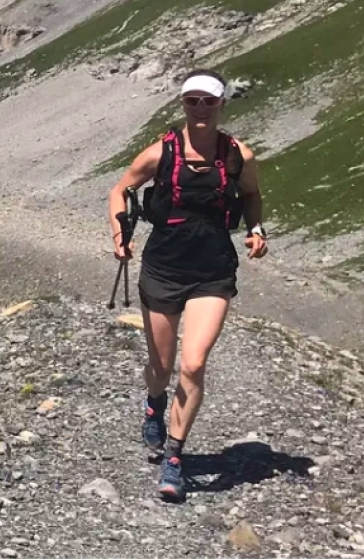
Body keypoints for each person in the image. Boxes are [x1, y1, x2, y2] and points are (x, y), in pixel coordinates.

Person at [108, 68, 268, 500]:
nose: (200, 108)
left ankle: (175, 460)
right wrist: (120, 236)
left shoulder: (238, 155)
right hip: (163, 269)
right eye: (192, 101)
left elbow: (251, 195)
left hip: (213, 271)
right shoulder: (162, 152)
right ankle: (154, 403)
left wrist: (256, 230)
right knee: (161, 367)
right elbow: (122, 188)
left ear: (221, 104)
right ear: (182, 103)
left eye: (208, 101)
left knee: (193, 363)